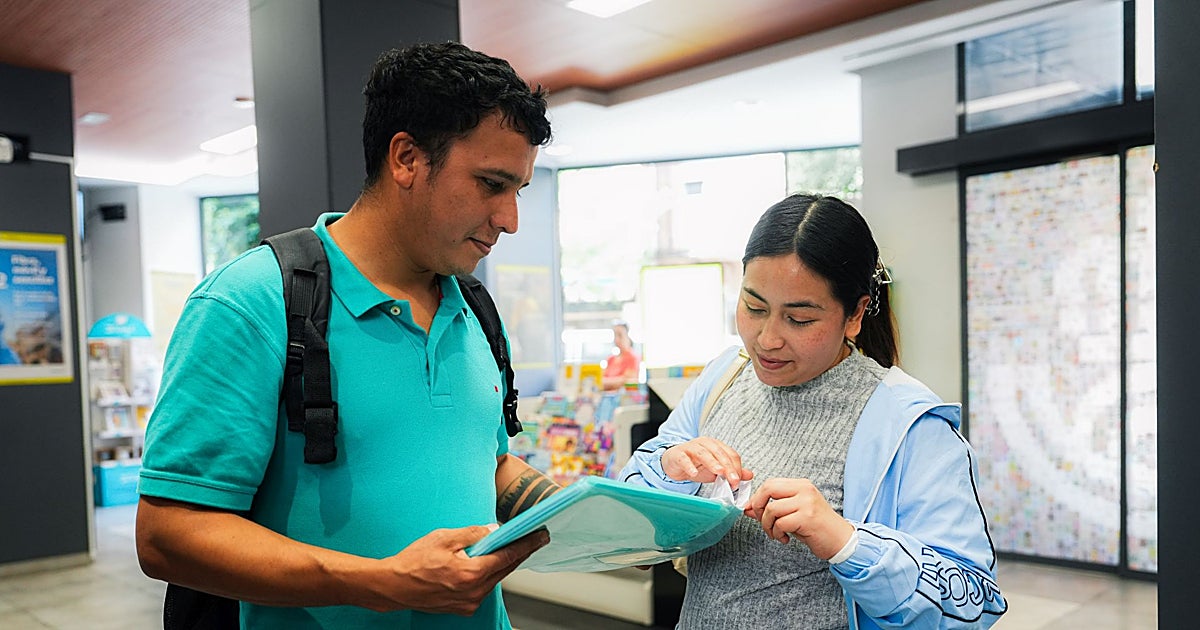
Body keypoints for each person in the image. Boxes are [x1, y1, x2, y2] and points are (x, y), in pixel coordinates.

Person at [136, 42, 562, 628]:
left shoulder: (476, 312)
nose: (509, 219)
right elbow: (167, 535)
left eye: (518, 190)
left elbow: (487, 463)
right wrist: (381, 584)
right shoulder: (251, 302)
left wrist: (597, 515)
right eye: (491, 183)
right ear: (407, 158)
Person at [619, 194, 1007, 629]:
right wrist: (667, 471)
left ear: (855, 314)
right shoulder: (723, 378)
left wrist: (845, 541)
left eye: (799, 319)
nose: (767, 339)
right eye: (754, 307)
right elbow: (625, 528)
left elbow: (973, 602)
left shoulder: (910, 424)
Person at [601, 320, 640, 390]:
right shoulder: (610, 359)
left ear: (628, 336)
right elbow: (600, 380)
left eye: (620, 335)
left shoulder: (633, 358)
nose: (616, 339)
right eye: (615, 335)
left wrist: (607, 382)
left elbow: (627, 381)